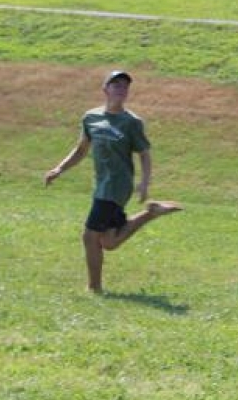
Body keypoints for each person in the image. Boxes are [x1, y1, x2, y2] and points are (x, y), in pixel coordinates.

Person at [44, 70, 182, 294]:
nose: (121, 89)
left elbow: (144, 154)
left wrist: (144, 183)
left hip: (117, 186)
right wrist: (59, 168)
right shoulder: (91, 118)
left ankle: (94, 288)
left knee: (89, 236)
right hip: (101, 184)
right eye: (115, 84)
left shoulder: (132, 123)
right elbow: (81, 150)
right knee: (109, 241)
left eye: (124, 86)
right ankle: (151, 212)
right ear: (105, 89)